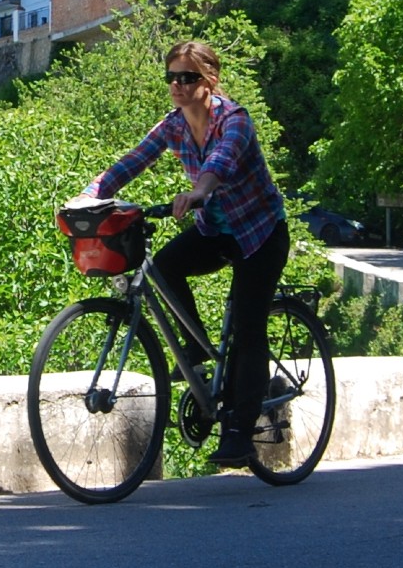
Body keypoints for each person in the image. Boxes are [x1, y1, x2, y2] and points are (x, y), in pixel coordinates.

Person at [83, 40, 288, 467]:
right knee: (165, 266)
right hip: (215, 229)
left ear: (210, 80)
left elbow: (221, 161)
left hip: (260, 234)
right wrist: (89, 196)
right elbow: (134, 161)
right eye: (172, 77)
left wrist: (198, 191)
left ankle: (239, 435)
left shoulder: (234, 120)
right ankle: (195, 353)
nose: (177, 85)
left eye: (188, 77)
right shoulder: (174, 125)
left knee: (249, 329)